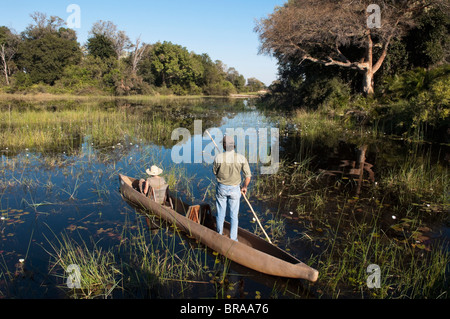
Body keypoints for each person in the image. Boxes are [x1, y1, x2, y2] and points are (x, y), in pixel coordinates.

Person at [213, 136, 251, 241]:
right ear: (233, 145)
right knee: (234, 216)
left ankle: (219, 234)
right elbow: (248, 176)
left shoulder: (218, 157)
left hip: (222, 188)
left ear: (224, 146)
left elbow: (215, 172)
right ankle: (233, 239)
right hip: (235, 189)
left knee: (220, 213)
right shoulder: (241, 158)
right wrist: (244, 187)